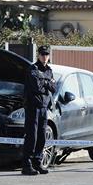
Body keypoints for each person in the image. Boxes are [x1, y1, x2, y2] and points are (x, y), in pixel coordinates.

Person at [22, 45, 56, 175]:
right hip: (32, 107)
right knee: (32, 136)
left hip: (44, 107)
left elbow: (54, 87)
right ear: (38, 55)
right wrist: (48, 83)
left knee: (42, 136)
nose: (45, 57)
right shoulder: (33, 69)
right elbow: (36, 87)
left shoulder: (49, 70)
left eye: (46, 54)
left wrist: (45, 83)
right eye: (42, 54)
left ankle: (37, 162)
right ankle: (27, 165)